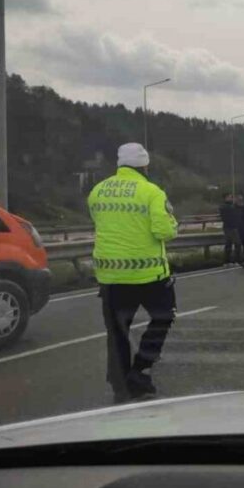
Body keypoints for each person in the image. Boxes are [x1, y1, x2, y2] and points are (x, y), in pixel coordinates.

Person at [88, 143, 178, 403]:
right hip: (149, 275)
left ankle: (119, 384)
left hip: (110, 276)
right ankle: (139, 372)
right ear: (145, 165)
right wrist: (173, 222)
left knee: (117, 330)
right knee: (163, 318)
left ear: (119, 164)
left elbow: (99, 221)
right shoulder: (152, 192)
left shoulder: (98, 191)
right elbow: (164, 231)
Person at [218, 194, 242, 265]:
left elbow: (241, 209)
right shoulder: (224, 206)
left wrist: (238, 202)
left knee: (237, 244)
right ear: (225, 199)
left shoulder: (234, 206)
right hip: (228, 227)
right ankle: (227, 260)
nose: (231, 198)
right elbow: (225, 213)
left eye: (232, 197)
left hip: (235, 227)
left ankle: (236, 260)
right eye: (230, 197)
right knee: (229, 244)